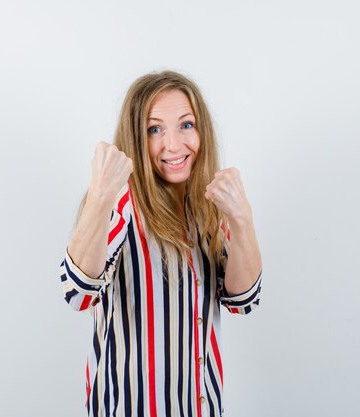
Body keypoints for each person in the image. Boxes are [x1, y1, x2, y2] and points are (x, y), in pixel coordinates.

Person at [59, 70, 262, 417]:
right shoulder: (121, 203)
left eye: (186, 125)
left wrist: (242, 221)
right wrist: (100, 194)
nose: (173, 145)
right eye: (155, 129)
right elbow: (77, 293)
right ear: (136, 137)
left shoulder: (209, 206)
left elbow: (243, 300)